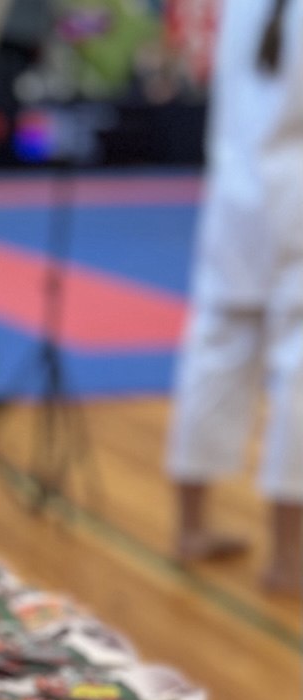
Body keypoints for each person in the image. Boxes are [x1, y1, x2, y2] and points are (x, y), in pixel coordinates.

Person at [167, 0, 303, 596]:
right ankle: (289, 558)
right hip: (294, 196)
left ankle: (190, 525)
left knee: (217, 351)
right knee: (299, 372)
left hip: (235, 194)